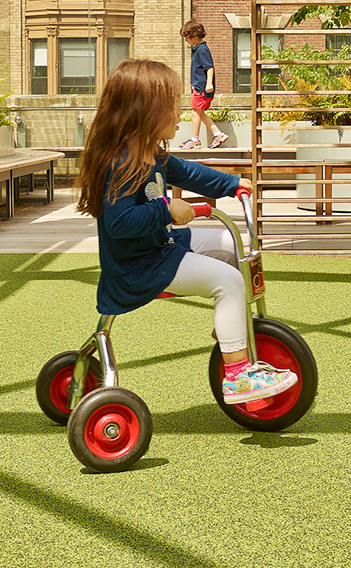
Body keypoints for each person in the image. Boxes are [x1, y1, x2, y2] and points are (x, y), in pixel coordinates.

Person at [74, 58, 297, 404]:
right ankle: (238, 376)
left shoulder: (151, 155)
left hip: (160, 247)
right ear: (143, 112)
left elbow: (190, 173)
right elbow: (119, 224)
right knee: (229, 281)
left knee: (230, 244)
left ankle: (231, 329)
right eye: (171, 105)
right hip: (139, 267)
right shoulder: (118, 164)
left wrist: (233, 183)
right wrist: (165, 210)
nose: (180, 113)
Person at [180, 19, 227, 149]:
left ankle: (195, 140)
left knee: (195, 111)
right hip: (199, 86)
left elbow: (209, 67)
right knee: (199, 113)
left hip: (202, 87)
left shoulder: (202, 49)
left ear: (194, 36)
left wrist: (209, 83)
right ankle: (218, 134)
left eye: (187, 38)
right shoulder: (199, 49)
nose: (186, 41)